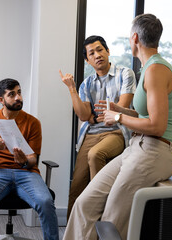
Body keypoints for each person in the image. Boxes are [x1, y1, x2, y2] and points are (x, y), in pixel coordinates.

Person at [63, 13, 172, 240]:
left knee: (111, 220)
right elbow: (144, 115)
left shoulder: (156, 70)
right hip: (137, 147)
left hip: (154, 151)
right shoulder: (148, 68)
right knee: (84, 204)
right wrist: (121, 110)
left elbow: (157, 125)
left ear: (134, 38)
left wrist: (117, 119)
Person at [59, 35, 136, 220]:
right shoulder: (87, 83)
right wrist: (72, 89)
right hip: (91, 134)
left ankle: (98, 218)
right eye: (91, 53)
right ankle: (73, 233)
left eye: (100, 49)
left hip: (117, 132)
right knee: (76, 186)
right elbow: (84, 116)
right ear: (87, 60)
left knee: (96, 154)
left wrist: (104, 115)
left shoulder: (125, 73)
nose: (97, 55)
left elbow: (121, 108)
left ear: (108, 51)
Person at [0, 78, 59, 240]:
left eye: (19, 92)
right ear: (1, 100)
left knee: (46, 202)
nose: (18, 97)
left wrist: (24, 161)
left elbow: (33, 159)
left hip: (27, 173)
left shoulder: (33, 123)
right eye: (11, 94)